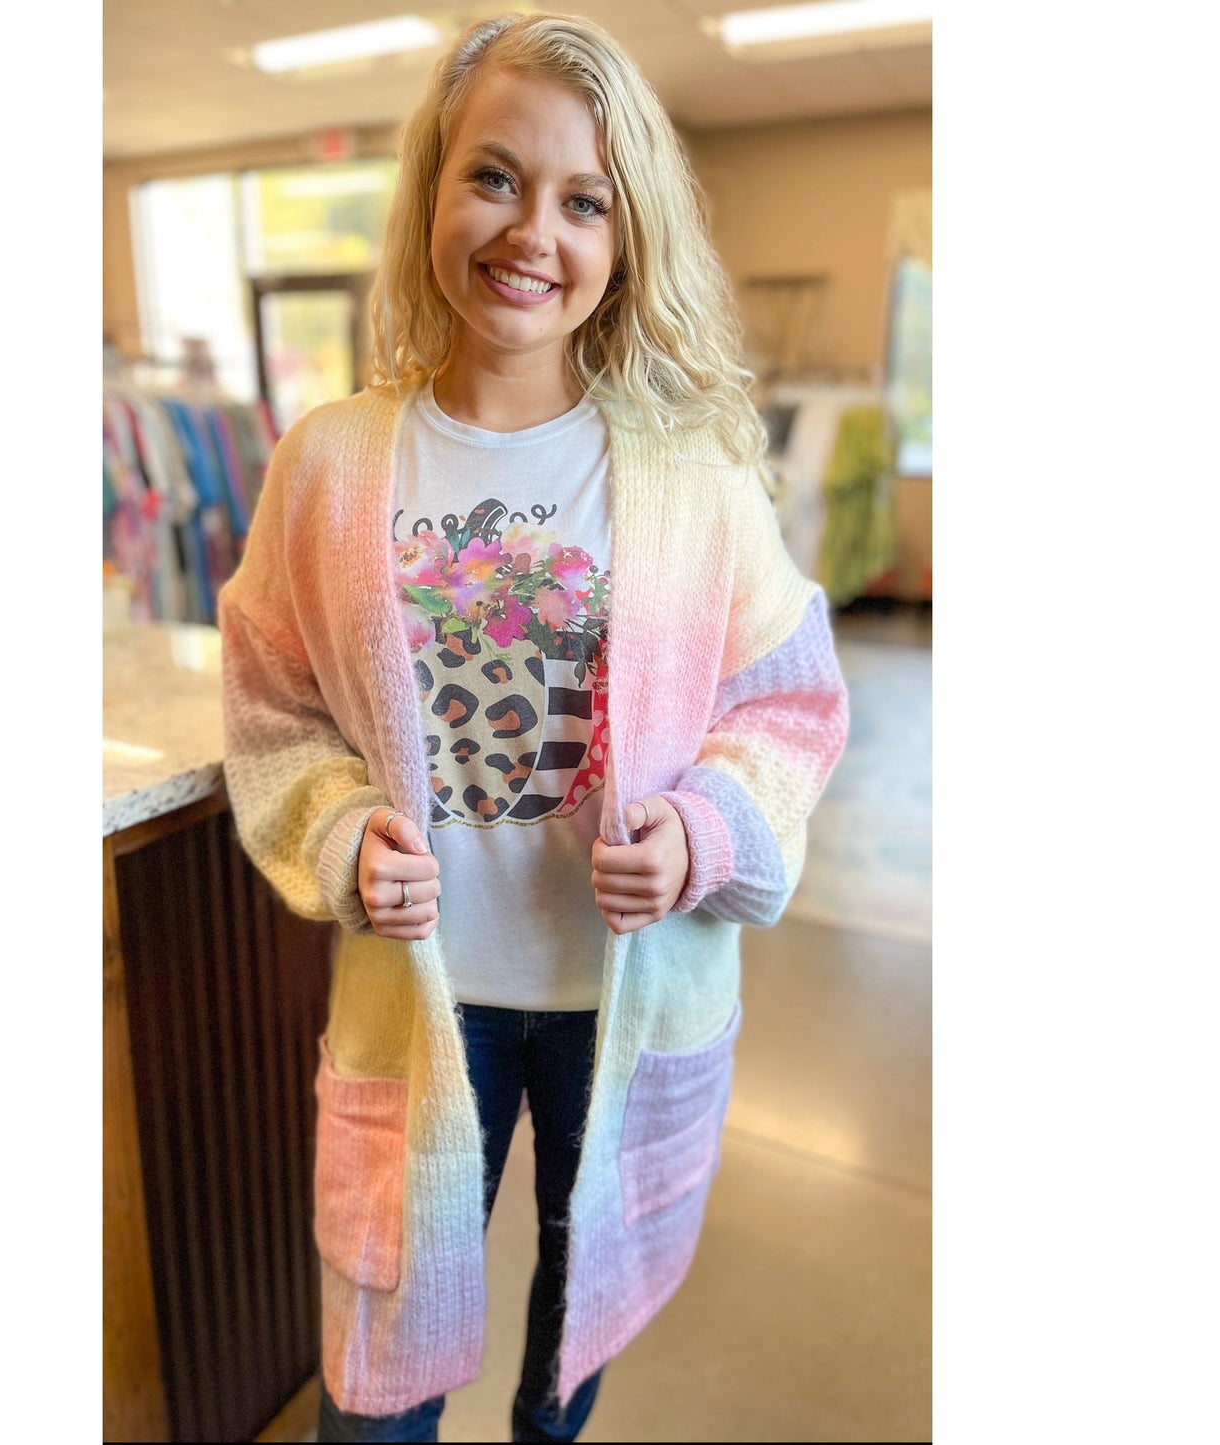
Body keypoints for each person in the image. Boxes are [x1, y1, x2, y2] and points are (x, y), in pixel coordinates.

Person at [219, 12, 849, 1441]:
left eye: (585, 201)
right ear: (433, 188)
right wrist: (336, 830)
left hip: (622, 1001)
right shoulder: (327, 467)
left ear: (627, 238)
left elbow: (787, 705)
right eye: (494, 177)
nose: (532, 232)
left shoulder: (693, 475)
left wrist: (704, 831)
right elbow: (271, 702)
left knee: (576, 1327)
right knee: (379, 1374)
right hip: (418, 997)